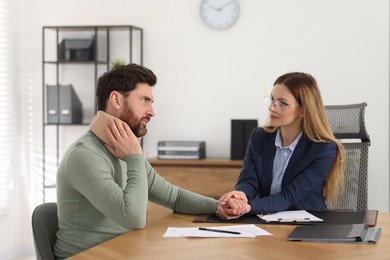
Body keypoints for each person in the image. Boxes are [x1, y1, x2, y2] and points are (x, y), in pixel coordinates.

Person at [53, 64, 218, 259]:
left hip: (123, 252)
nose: (152, 111)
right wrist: (135, 157)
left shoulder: (125, 150)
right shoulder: (84, 155)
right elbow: (133, 218)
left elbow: (174, 198)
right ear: (116, 99)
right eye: (144, 100)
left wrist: (218, 206)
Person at [216, 72, 345, 220]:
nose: (272, 107)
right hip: (265, 220)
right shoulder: (259, 137)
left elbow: (289, 197)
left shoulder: (323, 149)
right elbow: (248, 180)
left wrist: (249, 207)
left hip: (305, 226)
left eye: (282, 103)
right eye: (272, 100)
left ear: (303, 110)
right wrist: (240, 196)